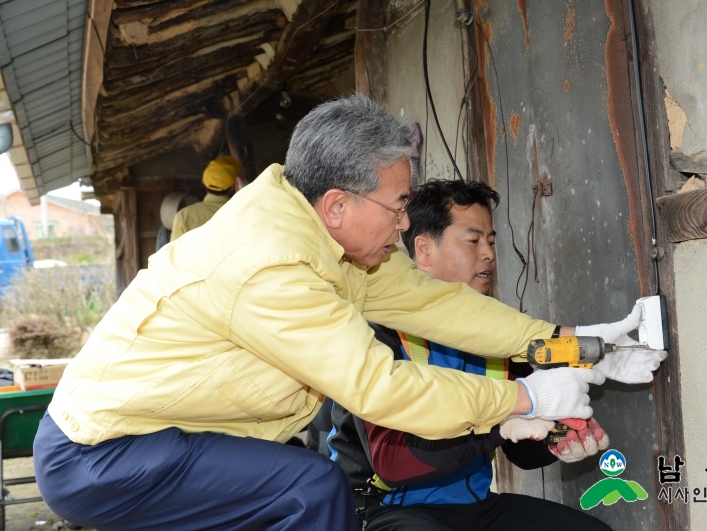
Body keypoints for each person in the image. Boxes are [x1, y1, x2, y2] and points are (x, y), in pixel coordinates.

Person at [33, 94, 664, 530]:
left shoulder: (333, 239)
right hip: (100, 452)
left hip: (161, 434)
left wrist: (565, 343)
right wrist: (524, 402)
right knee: (310, 489)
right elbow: (379, 388)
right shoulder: (275, 264)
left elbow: (432, 303)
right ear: (338, 204)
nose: (402, 223)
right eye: (396, 206)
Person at [328, 180, 616, 530]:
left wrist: (556, 436)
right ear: (424, 251)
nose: (488, 254)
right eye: (473, 240)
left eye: (492, 242)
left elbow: (518, 452)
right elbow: (394, 461)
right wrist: (503, 421)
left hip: (476, 506)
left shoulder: (500, 334)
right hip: (387, 510)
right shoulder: (379, 335)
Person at [169, 155, 240, 241]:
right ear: (233, 186)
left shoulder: (183, 217)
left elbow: (175, 253)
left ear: (203, 181)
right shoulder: (242, 213)